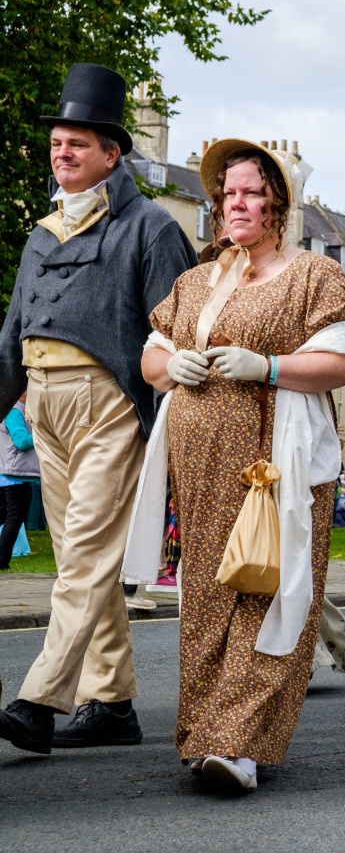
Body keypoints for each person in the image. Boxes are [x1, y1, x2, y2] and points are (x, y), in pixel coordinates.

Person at [132, 138, 345, 793]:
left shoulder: (311, 277)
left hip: (278, 467)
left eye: (251, 192)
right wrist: (168, 368)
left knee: (266, 592)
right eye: (228, 193)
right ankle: (204, 734)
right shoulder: (195, 283)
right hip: (200, 463)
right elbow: (151, 358)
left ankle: (239, 744)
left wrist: (269, 367)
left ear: (276, 204)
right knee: (207, 599)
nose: (236, 203)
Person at [0, 64, 196, 756]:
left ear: (113, 154)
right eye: (58, 142)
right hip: (42, 405)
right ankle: (110, 700)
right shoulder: (41, 231)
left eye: (79, 143)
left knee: (83, 553)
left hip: (111, 402)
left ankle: (40, 695)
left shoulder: (149, 226)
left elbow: (178, 326)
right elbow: (11, 332)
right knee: (80, 559)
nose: (63, 153)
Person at [0, 394, 40, 572]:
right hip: (13, 474)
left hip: (16, 474)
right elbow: (21, 441)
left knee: (10, 518)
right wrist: (44, 435)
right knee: (14, 519)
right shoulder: (14, 411)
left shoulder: (17, 409)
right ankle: (2, 561)